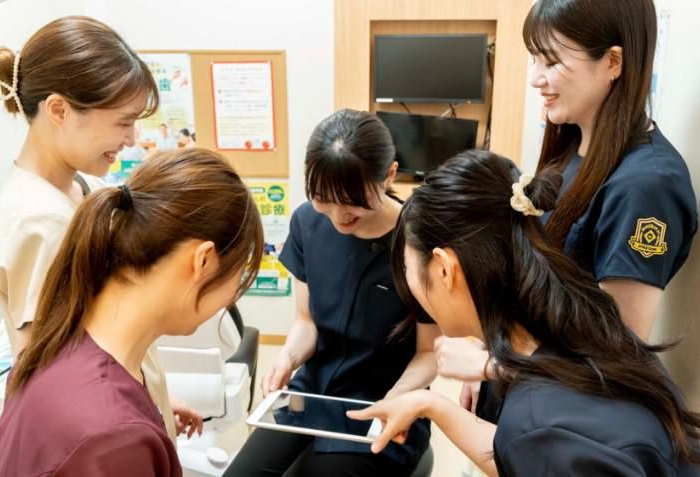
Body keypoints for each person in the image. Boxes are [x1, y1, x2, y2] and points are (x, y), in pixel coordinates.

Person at [348, 149, 700, 476]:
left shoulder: (539, 420)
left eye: (407, 267)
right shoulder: (583, 322)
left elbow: (536, 446)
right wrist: (429, 404)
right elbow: (523, 453)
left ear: (444, 269)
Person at [447, 0, 698, 426]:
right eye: (534, 59)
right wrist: (492, 346)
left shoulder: (646, 186)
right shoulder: (571, 146)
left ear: (613, 62)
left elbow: (614, 352)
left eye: (552, 61)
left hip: (561, 413)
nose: (535, 78)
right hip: (526, 390)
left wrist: (493, 364)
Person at [0, 148, 264, 477]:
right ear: (202, 260)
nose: (232, 295)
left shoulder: (54, 344)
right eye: (238, 276)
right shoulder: (113, 439)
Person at [0, 15, 191, 442]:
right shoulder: (40, 222)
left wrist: (154, 399)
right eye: (122, 122)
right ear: (59, 110)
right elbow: (56, 380)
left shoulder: (82, 187)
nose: (131, 138)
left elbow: (102, 338)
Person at [225, 109, 439, 477]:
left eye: (353, 200)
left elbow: (429, 353)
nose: (339, 216)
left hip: (383, 400)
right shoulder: (307, 222)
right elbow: (307, 321)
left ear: (389, 174)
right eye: (324, 198)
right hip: (310, 393)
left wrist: (394, 400)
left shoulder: (418, 241)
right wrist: (288, 357)